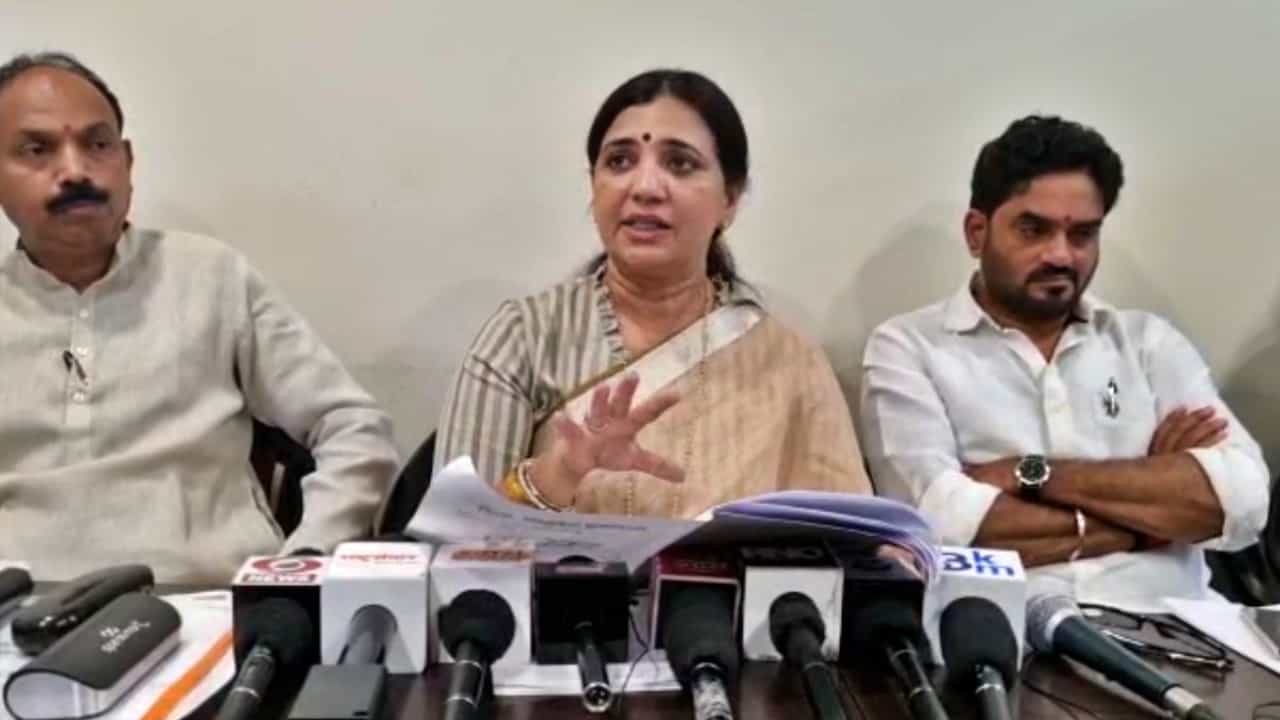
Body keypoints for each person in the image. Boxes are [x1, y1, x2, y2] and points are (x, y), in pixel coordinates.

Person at [0, 52, 399, 582]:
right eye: (37, 149)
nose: (75, 171)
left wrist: (305, 561)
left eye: (98, 145)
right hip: (17, 607)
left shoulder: (211, 276)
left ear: (127, 163)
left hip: (206, 600)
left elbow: (353, 426)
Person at [860, 115, 1270, 610]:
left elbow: (1244, 501)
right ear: (976, 232)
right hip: (1011, 635)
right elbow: (937, 526)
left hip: (1180, 624)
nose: (1060, 255)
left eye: (1082, 234)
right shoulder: (909, 348)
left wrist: (1031, 473)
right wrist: (1151, 516)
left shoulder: (1147, 344)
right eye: (1033, 230)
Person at [434, 69, 870, 516]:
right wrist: (557, 474)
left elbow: (859, 537)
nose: (644, 188)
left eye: (680, 164)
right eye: (620, 161)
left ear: (730, 199)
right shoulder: (524, 338)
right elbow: (451, 535)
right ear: (593, 185)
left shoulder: (788, 363)